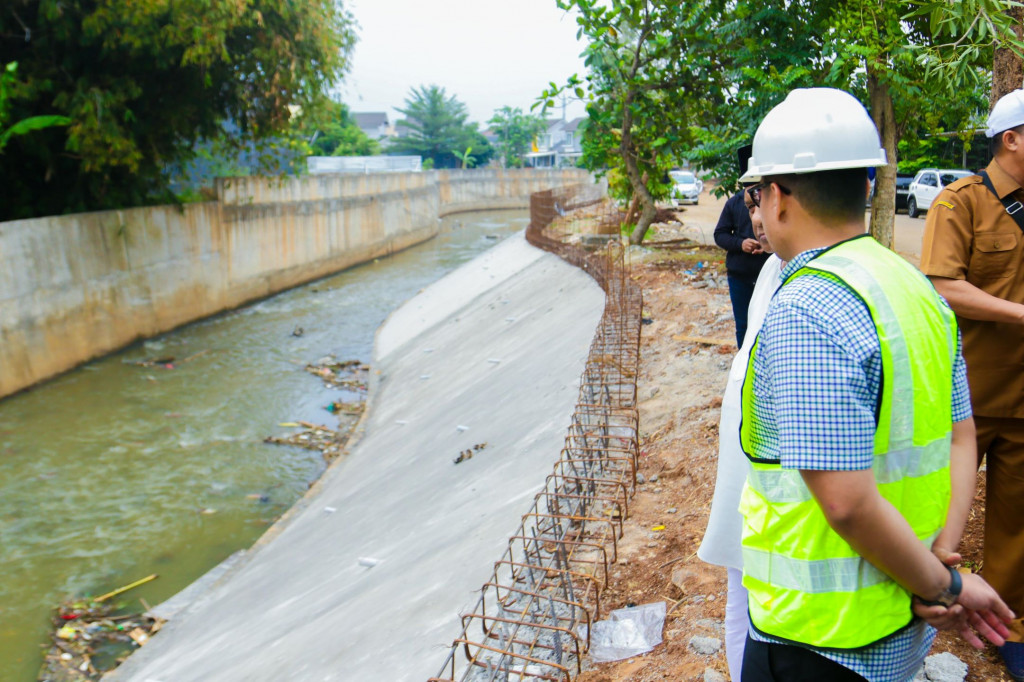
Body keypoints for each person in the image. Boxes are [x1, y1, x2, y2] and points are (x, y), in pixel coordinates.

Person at [737, 87, 1013, 682]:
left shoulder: (809, 303)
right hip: (899, 620)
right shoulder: (911, 286)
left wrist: (946, 585)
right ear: (867, 186)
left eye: (757, 193)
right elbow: (960, 439)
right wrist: (936, 564)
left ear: (776, 197)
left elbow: (845, 501)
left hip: (819, 637)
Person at [920, 87, 1024, 680]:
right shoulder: (960, 203)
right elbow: (942, 285)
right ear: (1011, 138)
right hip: (967, 398)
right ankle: (931, 598)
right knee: (939, 511)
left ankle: (1006, 626)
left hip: (1023, 396)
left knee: (1016, 522)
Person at [698, 186, 783, 681]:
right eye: (750, 208)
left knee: (756, 602)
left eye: (762, 206)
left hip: (774, 499)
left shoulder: (797, 288)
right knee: (741, 596)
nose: (755, 220)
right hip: (751, 487)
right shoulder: (771, 273)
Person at [714, 145, 770, 346]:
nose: (756, 217)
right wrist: (740, 244)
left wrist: (771, 244)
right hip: (740, 276)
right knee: (744, 326)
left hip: (767, 271)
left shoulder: (774, 200)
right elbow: (719, 234)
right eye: (750, 208)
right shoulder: (733, 204)